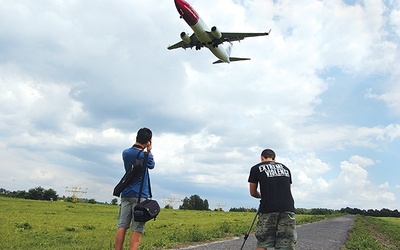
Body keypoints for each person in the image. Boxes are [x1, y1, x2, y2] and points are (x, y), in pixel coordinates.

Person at [248, 149, 296, 250]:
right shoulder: (286, 169)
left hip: (268, 207)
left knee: (264, 242)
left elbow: (252, 192)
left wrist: (264, 195)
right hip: (287, 207)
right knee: (286, 243)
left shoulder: (256, 168)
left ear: (262, 157)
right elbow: (288, 189)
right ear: (274, 158)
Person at [115, 127, 155, 250]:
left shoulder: (125, 153)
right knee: (137, 229)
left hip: (126, 193)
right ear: (148, 141)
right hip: (140, 195)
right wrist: (149, 150)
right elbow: (152, 165)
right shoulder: (146, 156)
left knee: (122, 226)